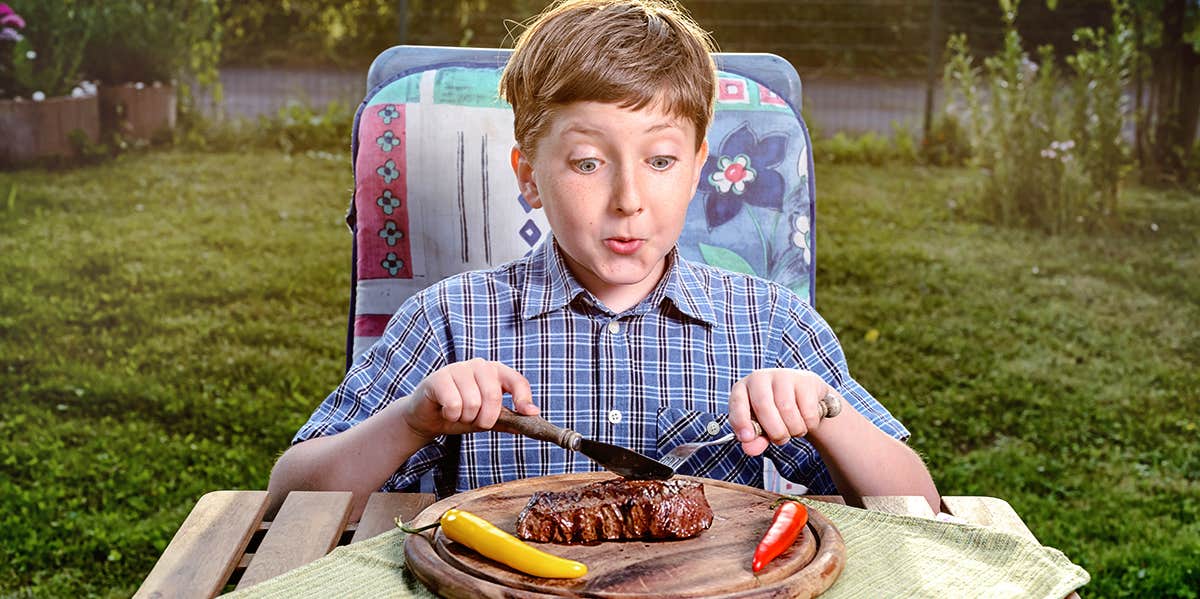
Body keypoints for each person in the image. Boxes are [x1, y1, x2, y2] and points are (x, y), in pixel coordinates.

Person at [267, 0, 940, 520]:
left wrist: (827, 412)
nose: (628, 200)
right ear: (528, 176)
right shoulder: (447, 321)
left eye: (661, 160)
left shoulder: (773, 326)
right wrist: (411, 419)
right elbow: (289, 496)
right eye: (588, 162)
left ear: (700, 168)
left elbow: (921, 509)